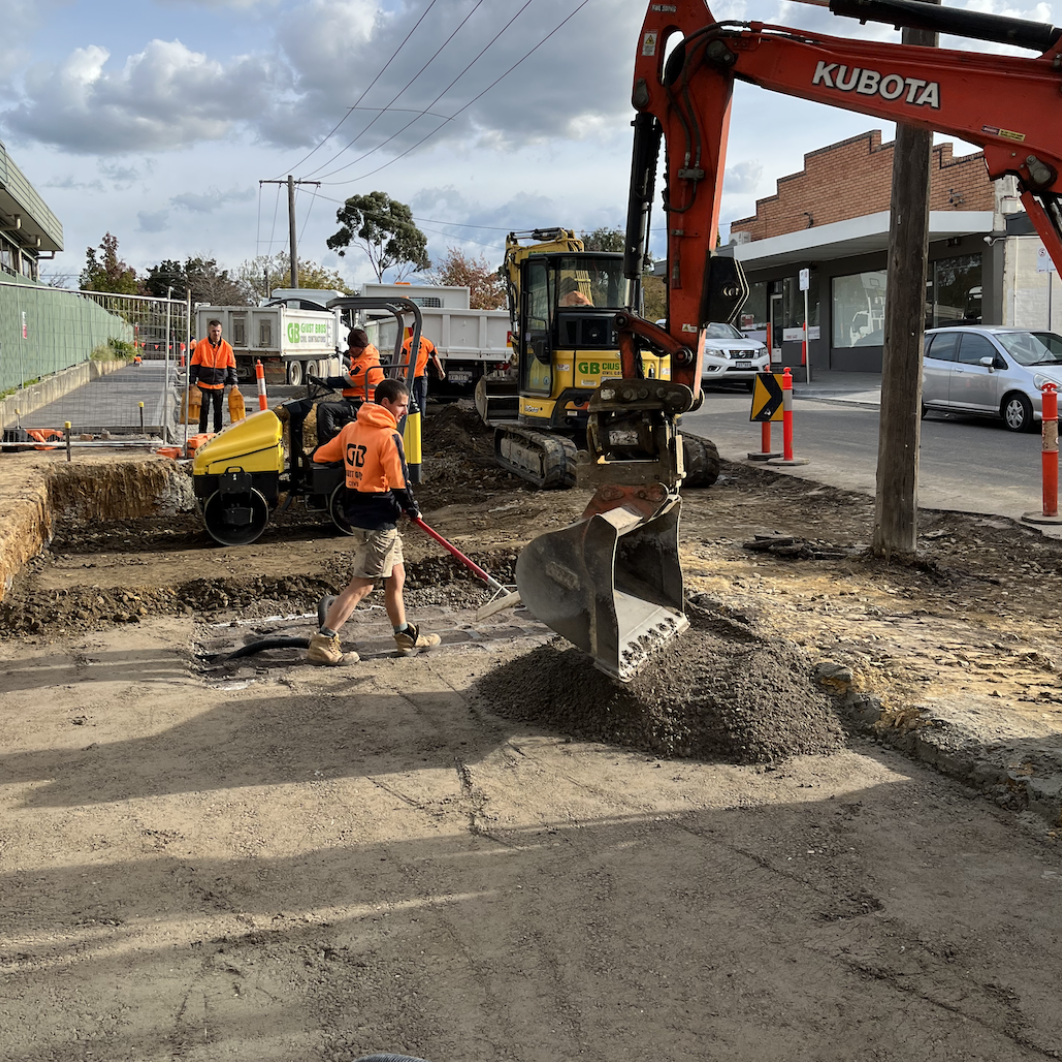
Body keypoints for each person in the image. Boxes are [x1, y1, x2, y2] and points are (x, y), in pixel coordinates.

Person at [306, 377, 442, 666]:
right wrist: (411, 507)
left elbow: (320, 455)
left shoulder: (352, 429)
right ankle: (323, 641)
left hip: (358, 512)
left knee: (397, 577)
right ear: (385, 404)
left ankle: (405, 636)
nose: (405, 410)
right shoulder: (388, 437)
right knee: (362, 586)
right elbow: (399, 481)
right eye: (402, 405)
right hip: (378, 520)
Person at [315, 328, 386, 443]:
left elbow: (345, 382)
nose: (350, 350)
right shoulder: (364, 359)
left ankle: (326, 446)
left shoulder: (366, 364)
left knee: (325, 408)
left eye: (352, 346)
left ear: (360, 347)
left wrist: (325, 381)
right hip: (359, 401)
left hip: (363, 404)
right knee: (331, 407)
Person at [189, 319, 237, 433]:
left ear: (221, 331)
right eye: (214, 331)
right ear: (209, 331)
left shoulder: (227, 347)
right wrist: (191, 381)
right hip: (203, 384)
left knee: (218, 410)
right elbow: (194, 364)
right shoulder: (201, 345)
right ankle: (202, 433)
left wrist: (234, 383)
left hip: (219, 385)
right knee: (204, 410)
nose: (216, 333)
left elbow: (232, 367)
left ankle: (218, 433)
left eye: (218, 331)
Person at [398, 331, 446, 418]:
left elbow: (403, 357)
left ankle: (411, 417)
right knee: (422, 397)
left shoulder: (407, 342)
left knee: (411, 398)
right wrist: (440, 370)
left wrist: (400, 371)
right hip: (421, 374)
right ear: (421, 330)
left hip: (409, 375)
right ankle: (421, 418)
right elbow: (435, 357)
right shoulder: (427, 342)